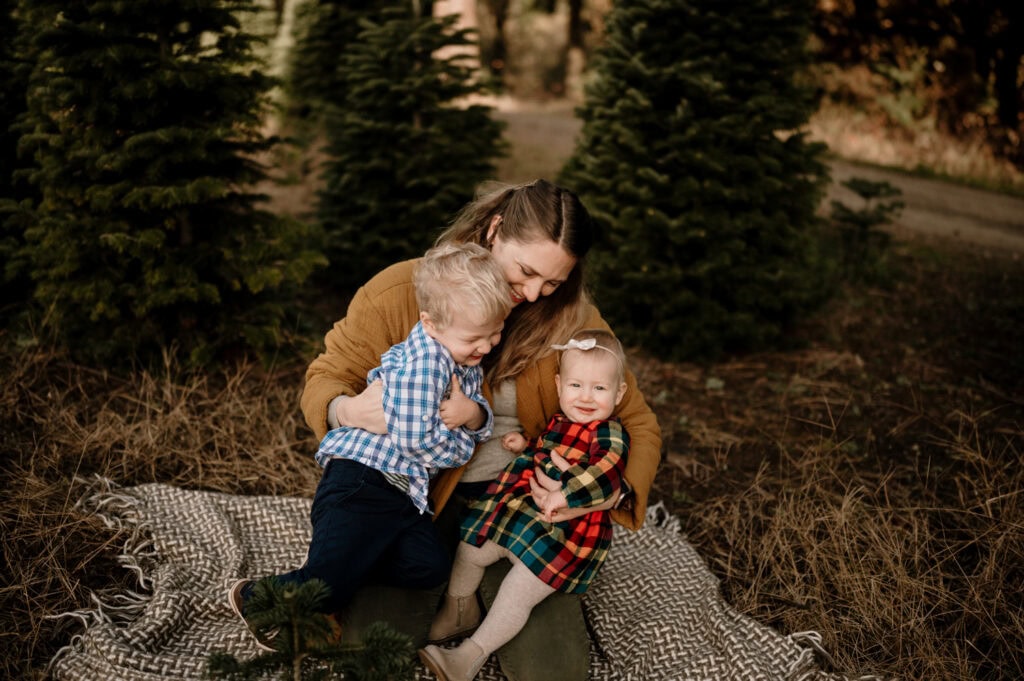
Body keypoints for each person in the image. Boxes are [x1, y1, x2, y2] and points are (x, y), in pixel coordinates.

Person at [300, 179, 662, 680]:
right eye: (527, 271)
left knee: (552, 670)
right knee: (368, 655)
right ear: (494, 230)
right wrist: (346, 410)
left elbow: (638, 422)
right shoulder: (403, 290)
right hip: (414, 497)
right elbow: (325, 377)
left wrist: (608, 493)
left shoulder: (573, 321)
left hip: (524, 507)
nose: (533, 293)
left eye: (553, 283)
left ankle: (473, 607)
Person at [227, 242, 512, 648]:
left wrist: (473, 415)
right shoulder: (426, 363)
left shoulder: (460, 355)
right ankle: (259, 598)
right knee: (328, 579)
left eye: (496, 332)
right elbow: (417, 443)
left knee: (427, 568)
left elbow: (477, 414)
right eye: (476, 338)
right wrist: (463, 444)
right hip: (364, 477)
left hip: (403, 494)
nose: (486, 346)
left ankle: (341, 572)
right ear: (431, 324)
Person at [419, 329, 630, 681]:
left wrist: (566, 495)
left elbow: (607, 473)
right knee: (472, 544)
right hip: (526, 517)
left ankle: (469, 657)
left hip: (566, 536)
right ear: (560, 385)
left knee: (517, 592)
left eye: (600, 388)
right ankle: (459, 606)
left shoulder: (607, 433)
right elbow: (546, 451)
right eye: (576, 386)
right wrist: (525, 446)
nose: (586, 397)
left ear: (618, 392)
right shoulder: (560, 422)